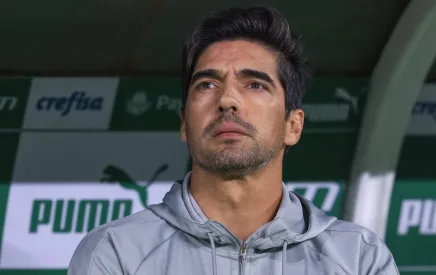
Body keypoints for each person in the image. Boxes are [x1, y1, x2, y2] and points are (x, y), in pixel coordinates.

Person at [68, 6, 399, 275]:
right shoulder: (116, 251)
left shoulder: (358, 257)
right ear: (185, 123)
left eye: (255, 84)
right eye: (207, 85)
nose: (227, 100)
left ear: (293, 126)